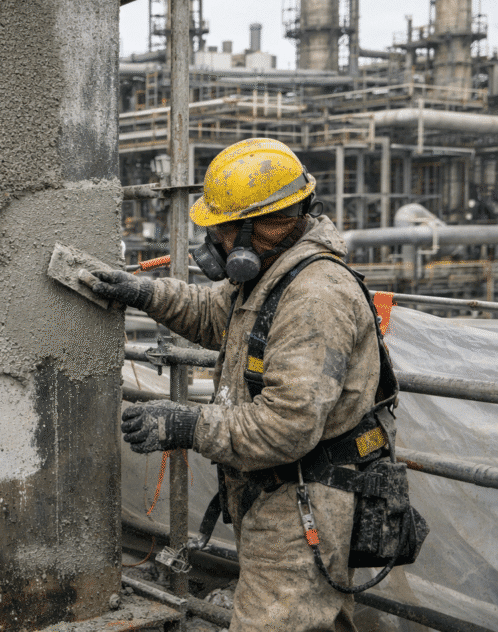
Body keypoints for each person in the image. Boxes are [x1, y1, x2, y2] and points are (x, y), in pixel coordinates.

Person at [89, 138, 395, 631]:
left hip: (305, 505)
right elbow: (218, 315)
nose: (216, 244)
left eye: (224, 230)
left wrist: (188, 424)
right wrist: (145, 292)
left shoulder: (315, 295)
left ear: (258, 228)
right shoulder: (276, 274)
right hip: (282, 493)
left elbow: (287, 426)